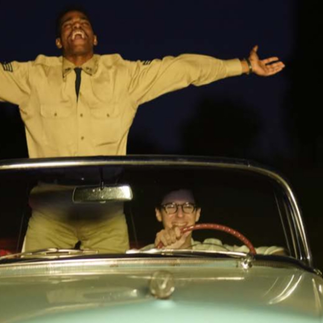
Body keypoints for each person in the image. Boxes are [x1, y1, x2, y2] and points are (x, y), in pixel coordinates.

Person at [0, 5, 285, 253]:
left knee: (112, 295)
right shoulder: (31, 76)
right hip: (51, 207)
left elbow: (182, 69)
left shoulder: (124, 75)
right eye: (68, 24)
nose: (76, 26)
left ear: (95, 38)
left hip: (106, 210)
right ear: (59, 41)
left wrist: (244, 65)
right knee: (38, 289)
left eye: (83, 23)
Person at [145, 188, 285, 255]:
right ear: (158, 214)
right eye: (171, 207)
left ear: (197, 214)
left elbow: (276, 253)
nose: (180, 215)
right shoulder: (142, 256)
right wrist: (163, 251)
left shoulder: (214, 249)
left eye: (188, 207)